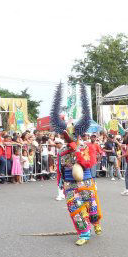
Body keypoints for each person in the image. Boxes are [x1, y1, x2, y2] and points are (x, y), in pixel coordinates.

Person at [50, 83, 102, 245]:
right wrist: (61, 182)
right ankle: (84, 234)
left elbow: (89, 162)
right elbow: (59, 168)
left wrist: (77, 150)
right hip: (69, 184)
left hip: (85, 181)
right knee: (75, 209)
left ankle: (95, 222)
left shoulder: (84, 146)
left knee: (91, 206)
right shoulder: (62, 151)